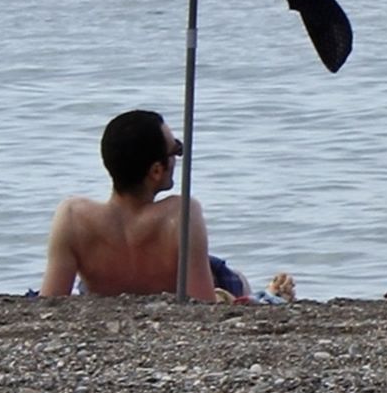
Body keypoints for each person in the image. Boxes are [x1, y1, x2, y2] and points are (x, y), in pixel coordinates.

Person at [41, 110, 249, 300]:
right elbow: (202, 302)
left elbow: (50, 299)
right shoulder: (181, 214)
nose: (177, 157)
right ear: (156, 171)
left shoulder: (72, 217)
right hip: (177, 290)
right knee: (235, 278)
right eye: (176, 150)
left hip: (102, 292)